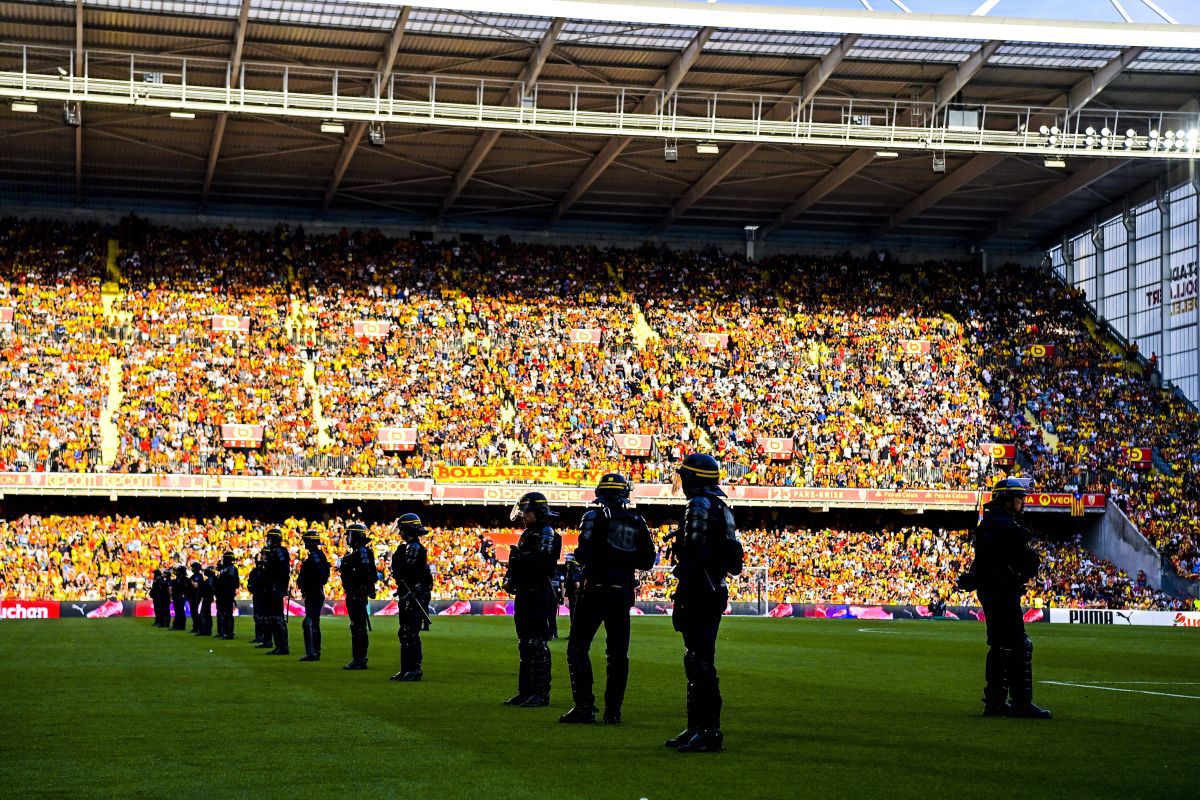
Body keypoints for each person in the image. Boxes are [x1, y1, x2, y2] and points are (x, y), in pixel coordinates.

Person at [560, 473, 656, 725]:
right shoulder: (637, 521)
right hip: (622, 591)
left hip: (596, 590)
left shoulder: (593, 516)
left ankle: (584, 707)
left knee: (578, 647)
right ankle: (613, 711)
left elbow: (584, 552)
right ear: (625, 494)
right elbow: (647, 560)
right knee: (617, 653)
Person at [665, 453, 743, 753]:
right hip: (713, 587)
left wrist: (685, 579)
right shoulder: (722, 506)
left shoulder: (697, 505)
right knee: (697, 658)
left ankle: (708, 731)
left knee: (699, 661)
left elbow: (695, 551)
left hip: (699, 589)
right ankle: (697, 727)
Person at [958, 477, 1051, 719]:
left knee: (1000, 645)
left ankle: (995, 702)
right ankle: (1021, 703)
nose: (1022, 502)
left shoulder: (991, 522)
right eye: (1019, 498)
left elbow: (986, 560)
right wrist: (1027, 563)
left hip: (993, 589)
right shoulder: (1003, 524)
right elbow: (1018, 547)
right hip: (1001, 590)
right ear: (1006, 500)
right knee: (1020, 644)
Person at [502, 491, 562, 708]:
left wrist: (521, 559)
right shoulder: (528, 533)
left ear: (537, 511)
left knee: (537, 643)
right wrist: (512, 576)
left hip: (539, 592)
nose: (523, 516)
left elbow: (545, 563)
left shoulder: (547, 532)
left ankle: (541, 693)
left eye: (526, 512)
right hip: (526, 592)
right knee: (525, 644)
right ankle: (525, 691)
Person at [389, 513, 432, 682]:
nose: (399, 532)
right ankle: (406, 668)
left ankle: (413, 669)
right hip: (409, 594)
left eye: (401, 529)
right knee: (406, 632)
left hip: (412, 595)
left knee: (410, 632)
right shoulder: (409, 547)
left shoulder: (413, 548)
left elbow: (408, 572)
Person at [340, 522, 377, 670]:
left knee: (358, 627)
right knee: (357, 626)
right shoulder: (356, 553)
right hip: (354, 593)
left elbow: (368, 573)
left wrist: (349, 568)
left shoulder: (361, 552)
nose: (347, 538)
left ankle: (360, 659)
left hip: (357, 594)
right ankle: (358, 658)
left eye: (349, 535)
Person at [298, 532, 331, 662]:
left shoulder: (315, 557)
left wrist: (306, 583)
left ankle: (312, 652)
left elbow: (319, 575)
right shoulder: (318, 555)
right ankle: (315, 651)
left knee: (309, 622)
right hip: (315, 591)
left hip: (314, 591)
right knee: (314, 622)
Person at [262, 528, 291, 656]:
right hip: (274, 586)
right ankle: (279, 645)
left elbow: (283, 571)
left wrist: (280, 586)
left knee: (277, 617)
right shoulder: (275, 551)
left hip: (276, 587)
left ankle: (282, 646)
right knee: (274, 617)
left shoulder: (279, 552)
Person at [247, 551, 271, 648]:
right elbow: (250, 583)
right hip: (257, 595)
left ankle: (264, 637)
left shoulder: (264, 571)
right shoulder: (254, 571)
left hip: (263, 595)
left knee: (263, 617)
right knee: (257, 616)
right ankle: (259, 636)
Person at [214, 551, 240, 640]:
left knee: (227, 613)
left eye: (225, 558)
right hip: (222, 593)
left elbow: (232, 582)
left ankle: (229, 632)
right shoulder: (225, 569)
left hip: (227, 593)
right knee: (223, 613)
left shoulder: (231, 569)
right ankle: (223, 632)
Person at [170, 564, 191, 631]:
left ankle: (178, 625)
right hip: (177, 596)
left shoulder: (184, 579)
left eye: (178, 571)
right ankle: (180, 625)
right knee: (179, 610)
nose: (177, 572)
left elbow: (183, 588)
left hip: (180, 596)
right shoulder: (180, 579)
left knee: (179, 610)